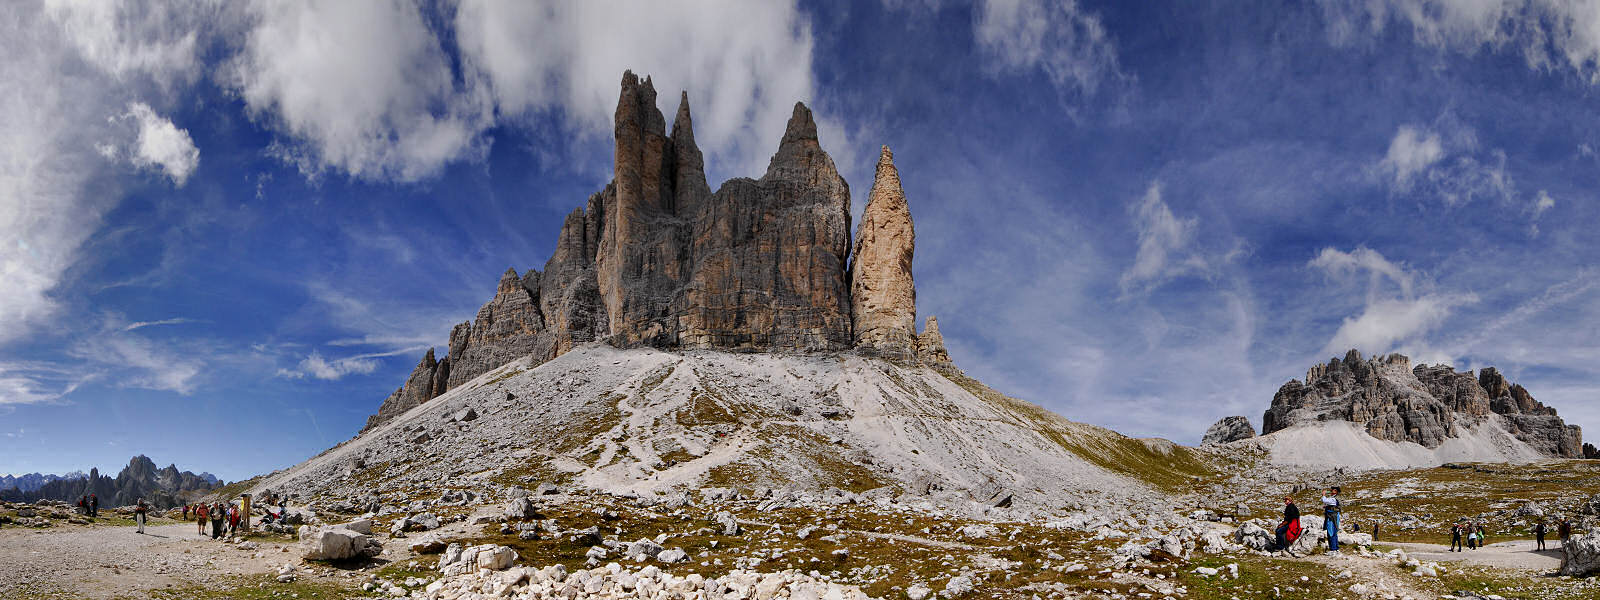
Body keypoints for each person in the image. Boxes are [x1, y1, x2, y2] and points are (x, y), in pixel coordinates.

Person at [1321, 486, 1342, 552]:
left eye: (1332, 490)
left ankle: (1333, 549)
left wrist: (1323, 495)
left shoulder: (1333, 499)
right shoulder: (1334, 498)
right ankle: (1336, 548)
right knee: (1334, 532)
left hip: (1332, 517)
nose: (1330, 491)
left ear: (1335, 491)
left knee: (1331, 532)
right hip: (1334, 516)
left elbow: (1324, 500)